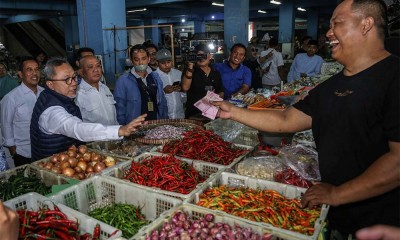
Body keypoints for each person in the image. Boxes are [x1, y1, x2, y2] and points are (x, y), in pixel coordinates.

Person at [213, 0, 400, 238]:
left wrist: (338, 194)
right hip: (336, 215)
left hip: (382, 222)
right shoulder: (332, 86)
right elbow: (286, 120)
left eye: (337, 24)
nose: (328, 33)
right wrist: (234, 111)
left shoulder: (394, 78)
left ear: (366, 24)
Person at [30, 57, 146, 161]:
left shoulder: (62, 97)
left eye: (74, 77)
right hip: (52, 168)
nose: (74, 83)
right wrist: (119, 130)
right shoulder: (51, 111)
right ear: (50, 84)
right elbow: (77, 128)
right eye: (67, 80)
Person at [1, 56, 44, 166]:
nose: (34, 73)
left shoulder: (45, 94)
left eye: (36, 69)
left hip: (45, 150)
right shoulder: (11, 98)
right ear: (20, 74)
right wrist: (13, 151)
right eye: (29, 70)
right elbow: (6, 125)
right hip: (23, 153)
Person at [114, 44, 168, 125]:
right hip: (134, 127)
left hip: (155, 124)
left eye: (144, 58)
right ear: (132, 61)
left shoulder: (155, 77)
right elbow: (119, 108)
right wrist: (124, 128)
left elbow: (162, 102)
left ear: (149, 59)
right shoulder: (123, 81)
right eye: (136, 59)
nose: (141, 62)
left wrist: (165, 122)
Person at [181, 44, 224, 119]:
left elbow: (220, 91)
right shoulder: (190, 71)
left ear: (209, 56)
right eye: (198, 56)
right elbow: (185, 87)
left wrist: (215, 100)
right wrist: (191, 64)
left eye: (203, 55)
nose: (201, 58)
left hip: (211, 113)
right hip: (194, 114)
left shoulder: (215, 72)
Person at [75, 55, 118, 125]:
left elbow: (114, 118)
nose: (96, 70)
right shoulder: (78, 95)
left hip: (114, 134)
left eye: (98, 66)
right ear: (81, 72)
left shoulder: (105, 88)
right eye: (90, 67)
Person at [155, 48, 185, 119]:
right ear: (157, 63)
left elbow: (184, 98)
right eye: (163, 63)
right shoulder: (153, 76)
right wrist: (163, 91)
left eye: (169, 62)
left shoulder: (178, 73)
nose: (166, 65)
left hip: (179, 116)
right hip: (163, 117)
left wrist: (182, 90)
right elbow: (151, 99)